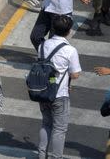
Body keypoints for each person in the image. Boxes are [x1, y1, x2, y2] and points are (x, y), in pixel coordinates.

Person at [36, 15, 81, 159]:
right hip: (59, 94)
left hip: (43, 92)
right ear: (69, 31)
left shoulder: (43, 45)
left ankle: (42, 155)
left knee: (46, 124)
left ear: (53, 29)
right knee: (59, 129)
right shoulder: (70, 50)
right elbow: (75, 75)